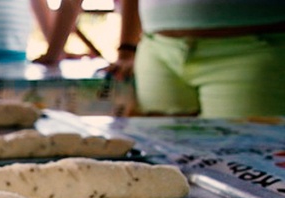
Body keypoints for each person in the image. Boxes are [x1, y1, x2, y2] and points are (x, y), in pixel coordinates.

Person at [37, 0, 285, 118]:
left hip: (254, 50)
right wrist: (127, 50)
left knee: (246, 172)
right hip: (157, 52)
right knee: (160, 164)